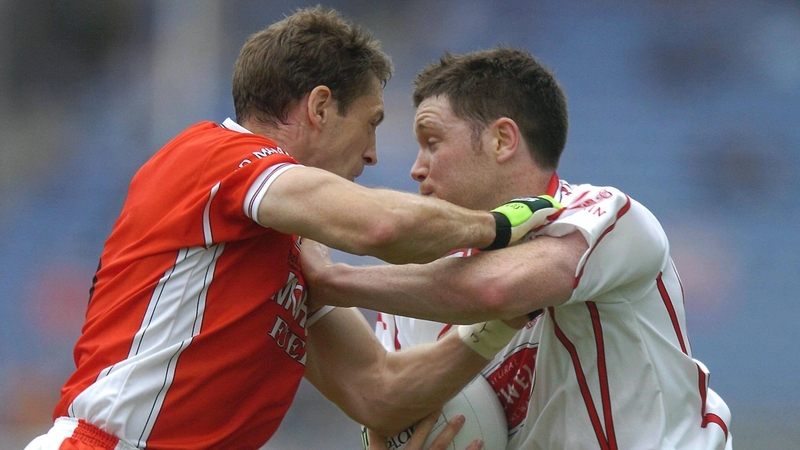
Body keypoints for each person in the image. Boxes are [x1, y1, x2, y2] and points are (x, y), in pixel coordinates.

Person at [25, 8, 554, 450]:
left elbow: (377, 391)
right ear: (321, 107)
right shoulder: (211, 156)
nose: (372, 153)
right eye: (370, 123)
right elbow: (379, 226)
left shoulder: (290, 247)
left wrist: (505, 318)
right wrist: (500, 226)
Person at [301, 47, 733, 449]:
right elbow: (386, 404)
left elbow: (496, 290)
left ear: (502, 141)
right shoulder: (409, 295)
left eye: (432, 142)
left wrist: (332, 280)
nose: (416, 169)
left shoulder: (606, 217)